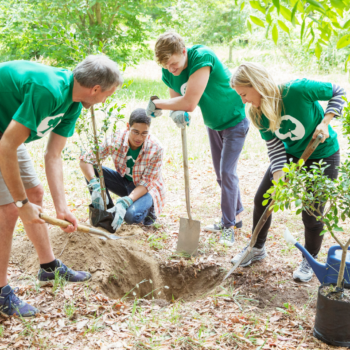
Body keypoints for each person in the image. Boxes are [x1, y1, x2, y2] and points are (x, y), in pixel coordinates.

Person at [0, 55, 123, 317]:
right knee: (9, 208)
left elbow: (53, 155)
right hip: (5, 139)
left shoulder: (74, 103)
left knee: (35, 193)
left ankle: (48, 267)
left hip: (7, 132)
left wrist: (62, 208)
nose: (105, 100)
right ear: (96, 89)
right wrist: (22, 205)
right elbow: (6, 147)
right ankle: (0, 294)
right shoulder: (49, 90)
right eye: (108, 95)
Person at [230, 62, 345, 282]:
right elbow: (274, 147)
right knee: (262, 199)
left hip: (323, 154)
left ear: (257, 84)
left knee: (312, 213)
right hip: (291, 155)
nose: (243, 100)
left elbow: (338, 91)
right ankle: (256, 248)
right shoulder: (257, 113)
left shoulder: (298, 90)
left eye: (244, 94)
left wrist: (325, 122)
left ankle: (309, 259)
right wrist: (278, 176)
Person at [146, 31, 249, 246]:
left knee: (227, 173)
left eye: (173, 63)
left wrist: (159, 104)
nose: (171, 69)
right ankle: (236, 216)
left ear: (183, 51)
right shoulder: (170, 72)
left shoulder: (202, 57)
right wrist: (177, 114)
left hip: (234, 119)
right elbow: (178, 102)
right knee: (222, 176)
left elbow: (190, 103)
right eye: (166, 66)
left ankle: (228, 226)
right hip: (214, 123)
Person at [80, 108, 165, 230]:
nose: (139, 138)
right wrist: (94, 183)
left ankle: (148, 212)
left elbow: (147, 183)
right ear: (127, 126)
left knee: (130, 216)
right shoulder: (116, 139)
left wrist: (126, 201)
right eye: (135, 132)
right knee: (93, 170)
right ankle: (108, 213)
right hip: (125, 182)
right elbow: (86, 159)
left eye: (144, 133)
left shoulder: (156, 148)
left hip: (146, 190)